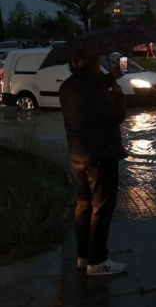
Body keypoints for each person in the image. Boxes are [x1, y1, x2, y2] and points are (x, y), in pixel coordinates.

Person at [59, 52, 128, 276]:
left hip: (78, 155)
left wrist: (110, 79)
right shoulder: (94, 89)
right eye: (98, 61)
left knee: (84, 205)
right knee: (102, 207)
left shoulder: (68, 86)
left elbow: (91, 90)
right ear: (95, 64)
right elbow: (116, 114)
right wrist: (118, 95)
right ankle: (98, 261)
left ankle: (83, 255)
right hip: (100, 154)